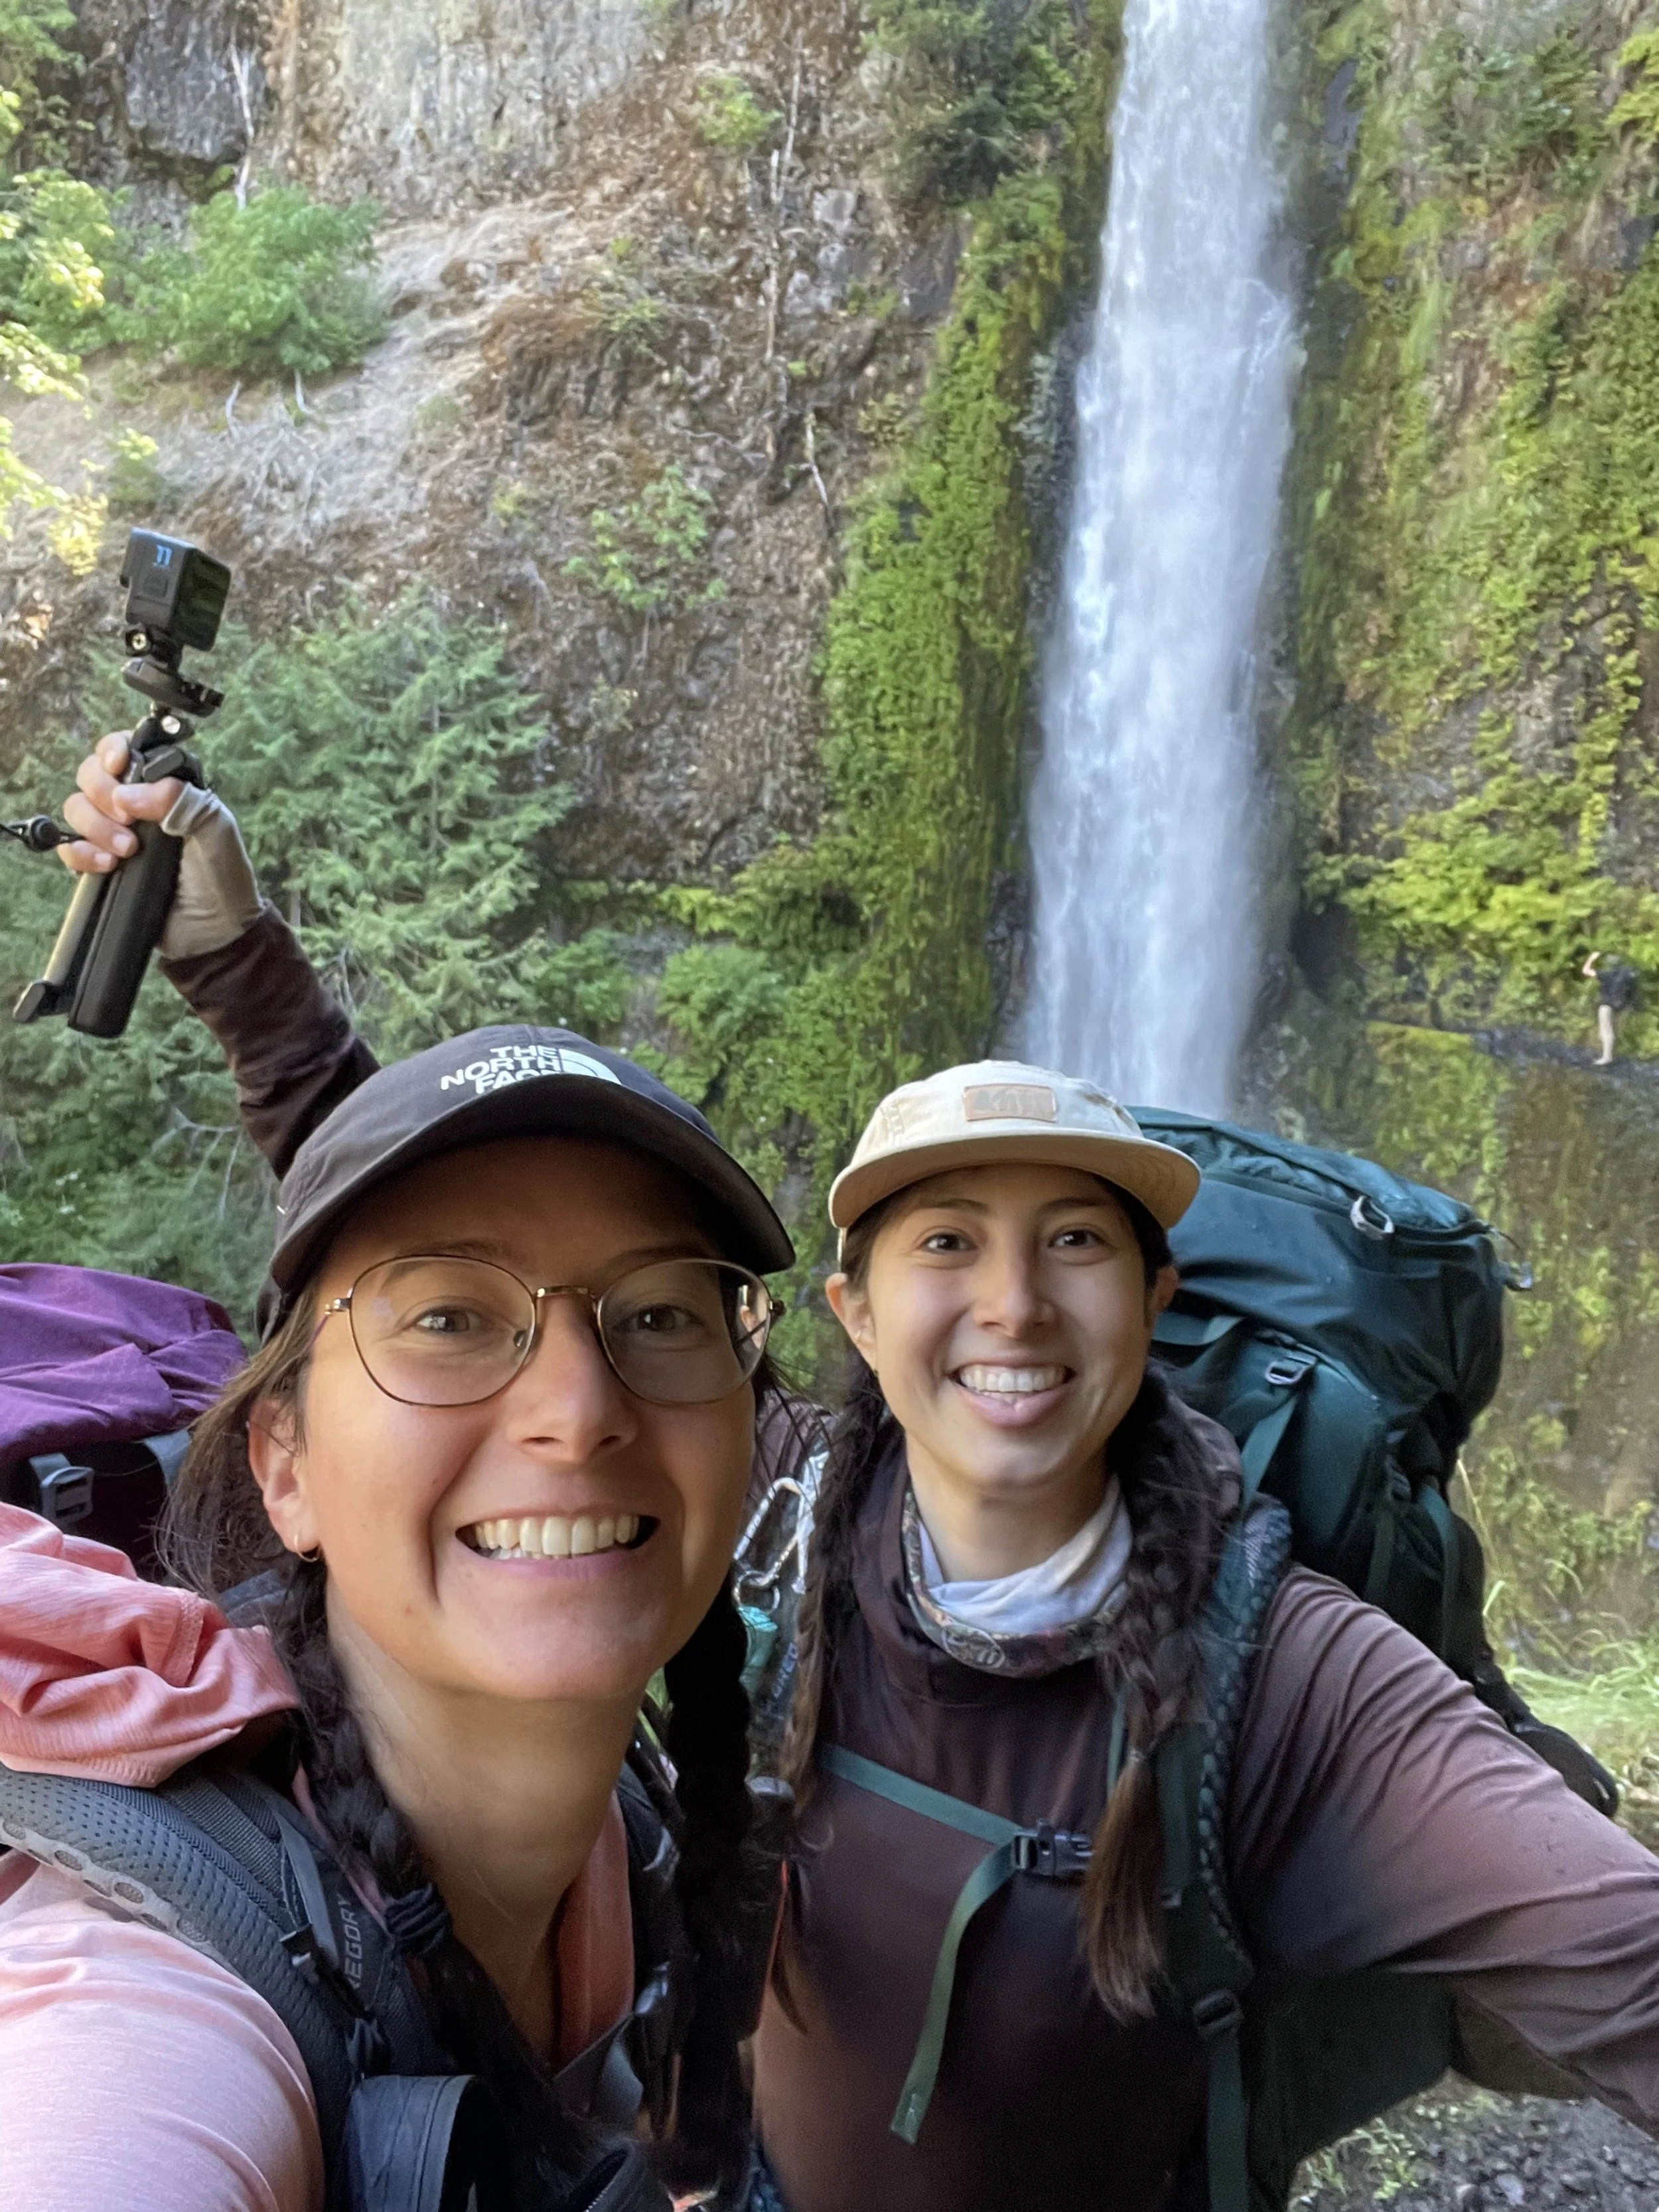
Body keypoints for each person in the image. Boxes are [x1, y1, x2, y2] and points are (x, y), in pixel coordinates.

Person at [1, 732, 804, 2208]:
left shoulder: (610, 1837)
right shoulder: (151, 2018)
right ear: (285, 1469)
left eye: (657, 1315)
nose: (577, 1408)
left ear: (750, 1425)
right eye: (449, 1319)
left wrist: (238, 964)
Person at [740, 1061, 1659, 2212]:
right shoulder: (788, 1506)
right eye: (947, 1241)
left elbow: (1629, 1962)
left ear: (1153, 1300)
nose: (1014, 1302)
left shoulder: (1287, 1674)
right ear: (857, 1313)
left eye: (1076, 1240)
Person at [1583, 950, 1639, 1067]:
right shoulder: (1626, 974)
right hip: (1620, 1005)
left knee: (1606, 1031)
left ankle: (1607, 1057)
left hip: (1606, 1005)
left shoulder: (1606, 975)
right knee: (1612, 1029)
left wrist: (1592, 958)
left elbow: (1586, 971)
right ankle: (1609, 1055)